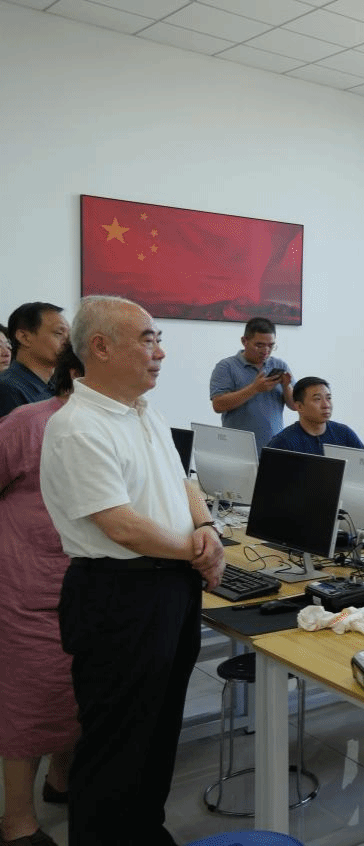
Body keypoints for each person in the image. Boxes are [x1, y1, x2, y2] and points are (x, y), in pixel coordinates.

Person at [40, 295, 226, 846]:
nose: (160, 353)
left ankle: (145, 829)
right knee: (115, 741)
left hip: (169, 587)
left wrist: (207, 527)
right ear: (100, 347)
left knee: (159, 728)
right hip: (119, 595)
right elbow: (119, 525)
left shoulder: (146, 412)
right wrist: (198, 552)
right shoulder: (78, 427)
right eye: (148, 340)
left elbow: (184, 481)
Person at [0, 345, 83, 846]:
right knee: (30, 702)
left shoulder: (121, 424)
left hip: (87, 584)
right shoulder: (27, 423)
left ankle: (61, 780)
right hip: (29, 584)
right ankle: (16, 822)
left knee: (74, 692)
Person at [208, 316, 294, 454]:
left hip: (275, 448)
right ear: (244, 341)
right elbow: (218, 405)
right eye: (259, 345)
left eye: (271, 345)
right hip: (237, 449)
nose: (265, 350)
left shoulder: (280, 365)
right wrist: (254, 389)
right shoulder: (226, 367)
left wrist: (286, 386)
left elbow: (295, 405)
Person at [0, 302, 69, 418]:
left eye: (69, 336)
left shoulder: (59, 386)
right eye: (59, 333)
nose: (68, 342)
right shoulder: (7, 389)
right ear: (24, 338)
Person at [264, 376, 364, 456]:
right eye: (317, 399)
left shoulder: (344, 434)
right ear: (299, 406)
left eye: (328, 398)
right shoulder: (283, 442)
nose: (326, 405)